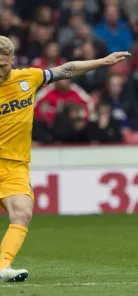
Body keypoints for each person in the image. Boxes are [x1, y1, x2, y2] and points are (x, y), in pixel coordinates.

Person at [0, 35, 130, 282]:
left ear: (12, 61)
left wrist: (102, 62)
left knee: (22, 212)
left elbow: (66, 69)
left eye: (3, 64)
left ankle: (2, 267)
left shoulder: (29, 78)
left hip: (15, 166)